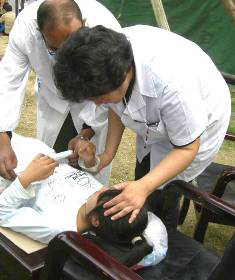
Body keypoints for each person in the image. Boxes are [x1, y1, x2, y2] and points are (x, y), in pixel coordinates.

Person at [53, 25, 231, 224]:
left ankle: (165, 230)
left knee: (162, 192)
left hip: (199, 126)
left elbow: (187, 148)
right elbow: (116, 105)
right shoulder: (106, 57)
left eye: (99, 98)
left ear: (123, 75)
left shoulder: (173, 86)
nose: (96, 103)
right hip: (160, 119)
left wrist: (144, 186)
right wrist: (107, 155)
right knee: (144, 176)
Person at [0, 133, 168, 268]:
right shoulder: (98, 204)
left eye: (102, 194)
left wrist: (26, 178)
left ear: (95, 220)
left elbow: (2, 212)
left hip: (7, 168)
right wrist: (87, 160)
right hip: (25, 148)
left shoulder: (57, 227)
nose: (101, 188)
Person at [0, 0, 121, 186]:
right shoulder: (25, 28)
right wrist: (2, 135)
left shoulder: (105, 26)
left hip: (93, 101)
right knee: (50, 167)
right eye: (55, 49)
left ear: (85, 24)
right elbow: (9, 80)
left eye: (73, 44)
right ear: (39, 32)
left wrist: (86, 132)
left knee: (89, 174)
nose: (66, 58)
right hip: (52, 100)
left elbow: (111, 89)